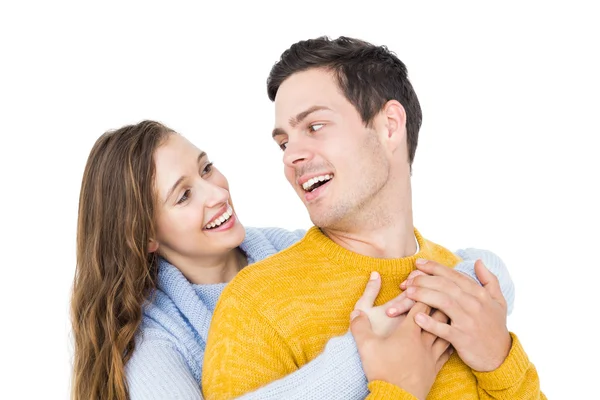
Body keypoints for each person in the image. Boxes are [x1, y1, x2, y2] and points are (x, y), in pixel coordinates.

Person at [202, 36, 545, 399]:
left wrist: (500, 362)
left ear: (390, 126)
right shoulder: (256, 306)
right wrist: (397, 391)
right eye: (284, 142)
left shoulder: (462, 287)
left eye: (315, 126)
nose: (291, 157)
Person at [70, 121, 513, 400]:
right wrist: (366, 357)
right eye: (184, 195)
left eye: (206, 169)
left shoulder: (290, 253)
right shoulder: (156, 347)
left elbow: (478, 265)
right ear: (145, 235)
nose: (217, 193)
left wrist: (457, 301)